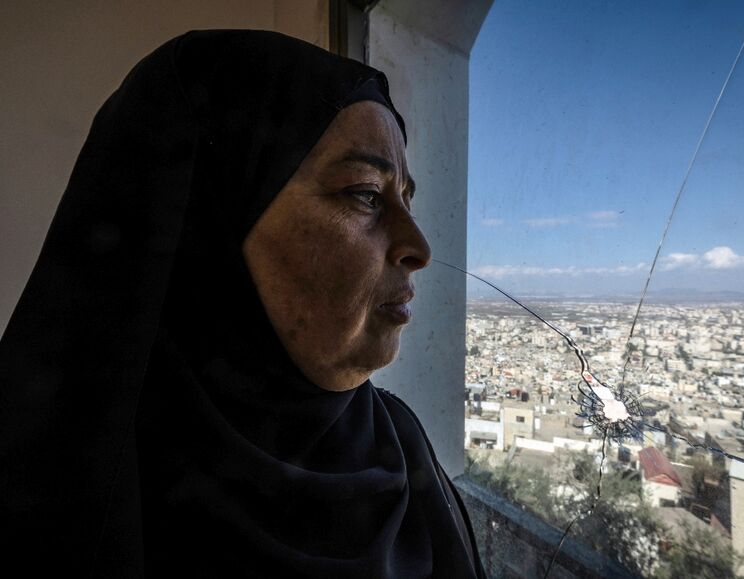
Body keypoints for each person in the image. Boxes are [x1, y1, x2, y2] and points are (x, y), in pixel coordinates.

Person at [0, 29, 484, 578]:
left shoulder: (402, 447)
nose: (418, 247)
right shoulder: (55, 488)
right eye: (366, 194)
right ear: (208, 223)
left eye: (406, 201)